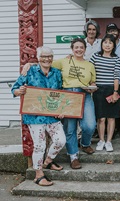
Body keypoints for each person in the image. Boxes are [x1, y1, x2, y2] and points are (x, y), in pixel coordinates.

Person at [22, 38, 97, 169]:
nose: (79, 49)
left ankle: (85, 144)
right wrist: (29, 64)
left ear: (85, 49)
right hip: (67, 95)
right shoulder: (64, 61)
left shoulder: (89, 65)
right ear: (72, 49)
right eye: (76, 47)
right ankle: (73, 156)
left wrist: (92, 87)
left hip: (84, 95)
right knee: (70, 128)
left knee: (90, 125)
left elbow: (92, 82)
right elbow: (45, 63)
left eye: (81, 47)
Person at [11, 46, 66, 186]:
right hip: (35, 116)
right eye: (44, 56)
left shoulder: (57, 73)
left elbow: (61, 94)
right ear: (38, 57)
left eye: (49, 56)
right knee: (39, 145)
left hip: (52, 114)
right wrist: (20, 91)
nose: (47, 59)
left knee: (60, 140)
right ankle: (38, 174)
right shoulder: (29, 71)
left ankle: (47, 162)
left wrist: (62, 109)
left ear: (52, 58)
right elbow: (15, 89)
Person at [90, 34, 120, 152]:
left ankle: (109, 141)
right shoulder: (95, 56)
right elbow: (90, 71)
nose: (107, 45)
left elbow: (116, 77)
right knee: (101, 118)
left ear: (113, 45)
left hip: (111, 90)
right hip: (98, 90)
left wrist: (115, 92)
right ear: (102, 44)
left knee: (111, 117)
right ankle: (101, 140)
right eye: (105, 42)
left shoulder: (116, 58)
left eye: (110, 43)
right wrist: (92, 83)